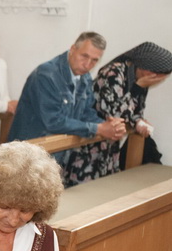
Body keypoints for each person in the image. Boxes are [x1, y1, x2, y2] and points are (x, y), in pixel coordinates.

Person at [7, 32, 126, 166]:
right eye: (84, 56)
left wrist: (110, 126)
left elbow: (86, 112)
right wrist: (98, 129)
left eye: (94, 60)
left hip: (56, 153)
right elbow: (53, 121)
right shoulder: (46, 75)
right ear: (73, 49)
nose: (87, 64)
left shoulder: (85, 77)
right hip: (27, 155)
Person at [64, 42, 172, 186]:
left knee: (106, 187)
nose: (160, 80)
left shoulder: (139, 79)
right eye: (160, 77)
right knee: (84, 188)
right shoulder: (113, 73)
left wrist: (139, 122)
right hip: (89, 140)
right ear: (148, 71)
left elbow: (134, 111)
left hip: (109, 144)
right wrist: (138, 88)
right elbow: (113, 113)